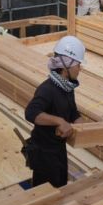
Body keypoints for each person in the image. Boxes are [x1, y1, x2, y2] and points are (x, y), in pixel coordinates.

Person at [23, 35, 85, 188]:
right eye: (78, 65)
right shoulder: (47, 89)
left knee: (61, 183)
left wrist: (84, 127)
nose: (80, 69)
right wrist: (59, 121)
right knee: (45, 191)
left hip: (58, 149)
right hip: (44, 152)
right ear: (66, 67)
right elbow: (31, 112)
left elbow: (73, 113)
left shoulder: (67, 87)